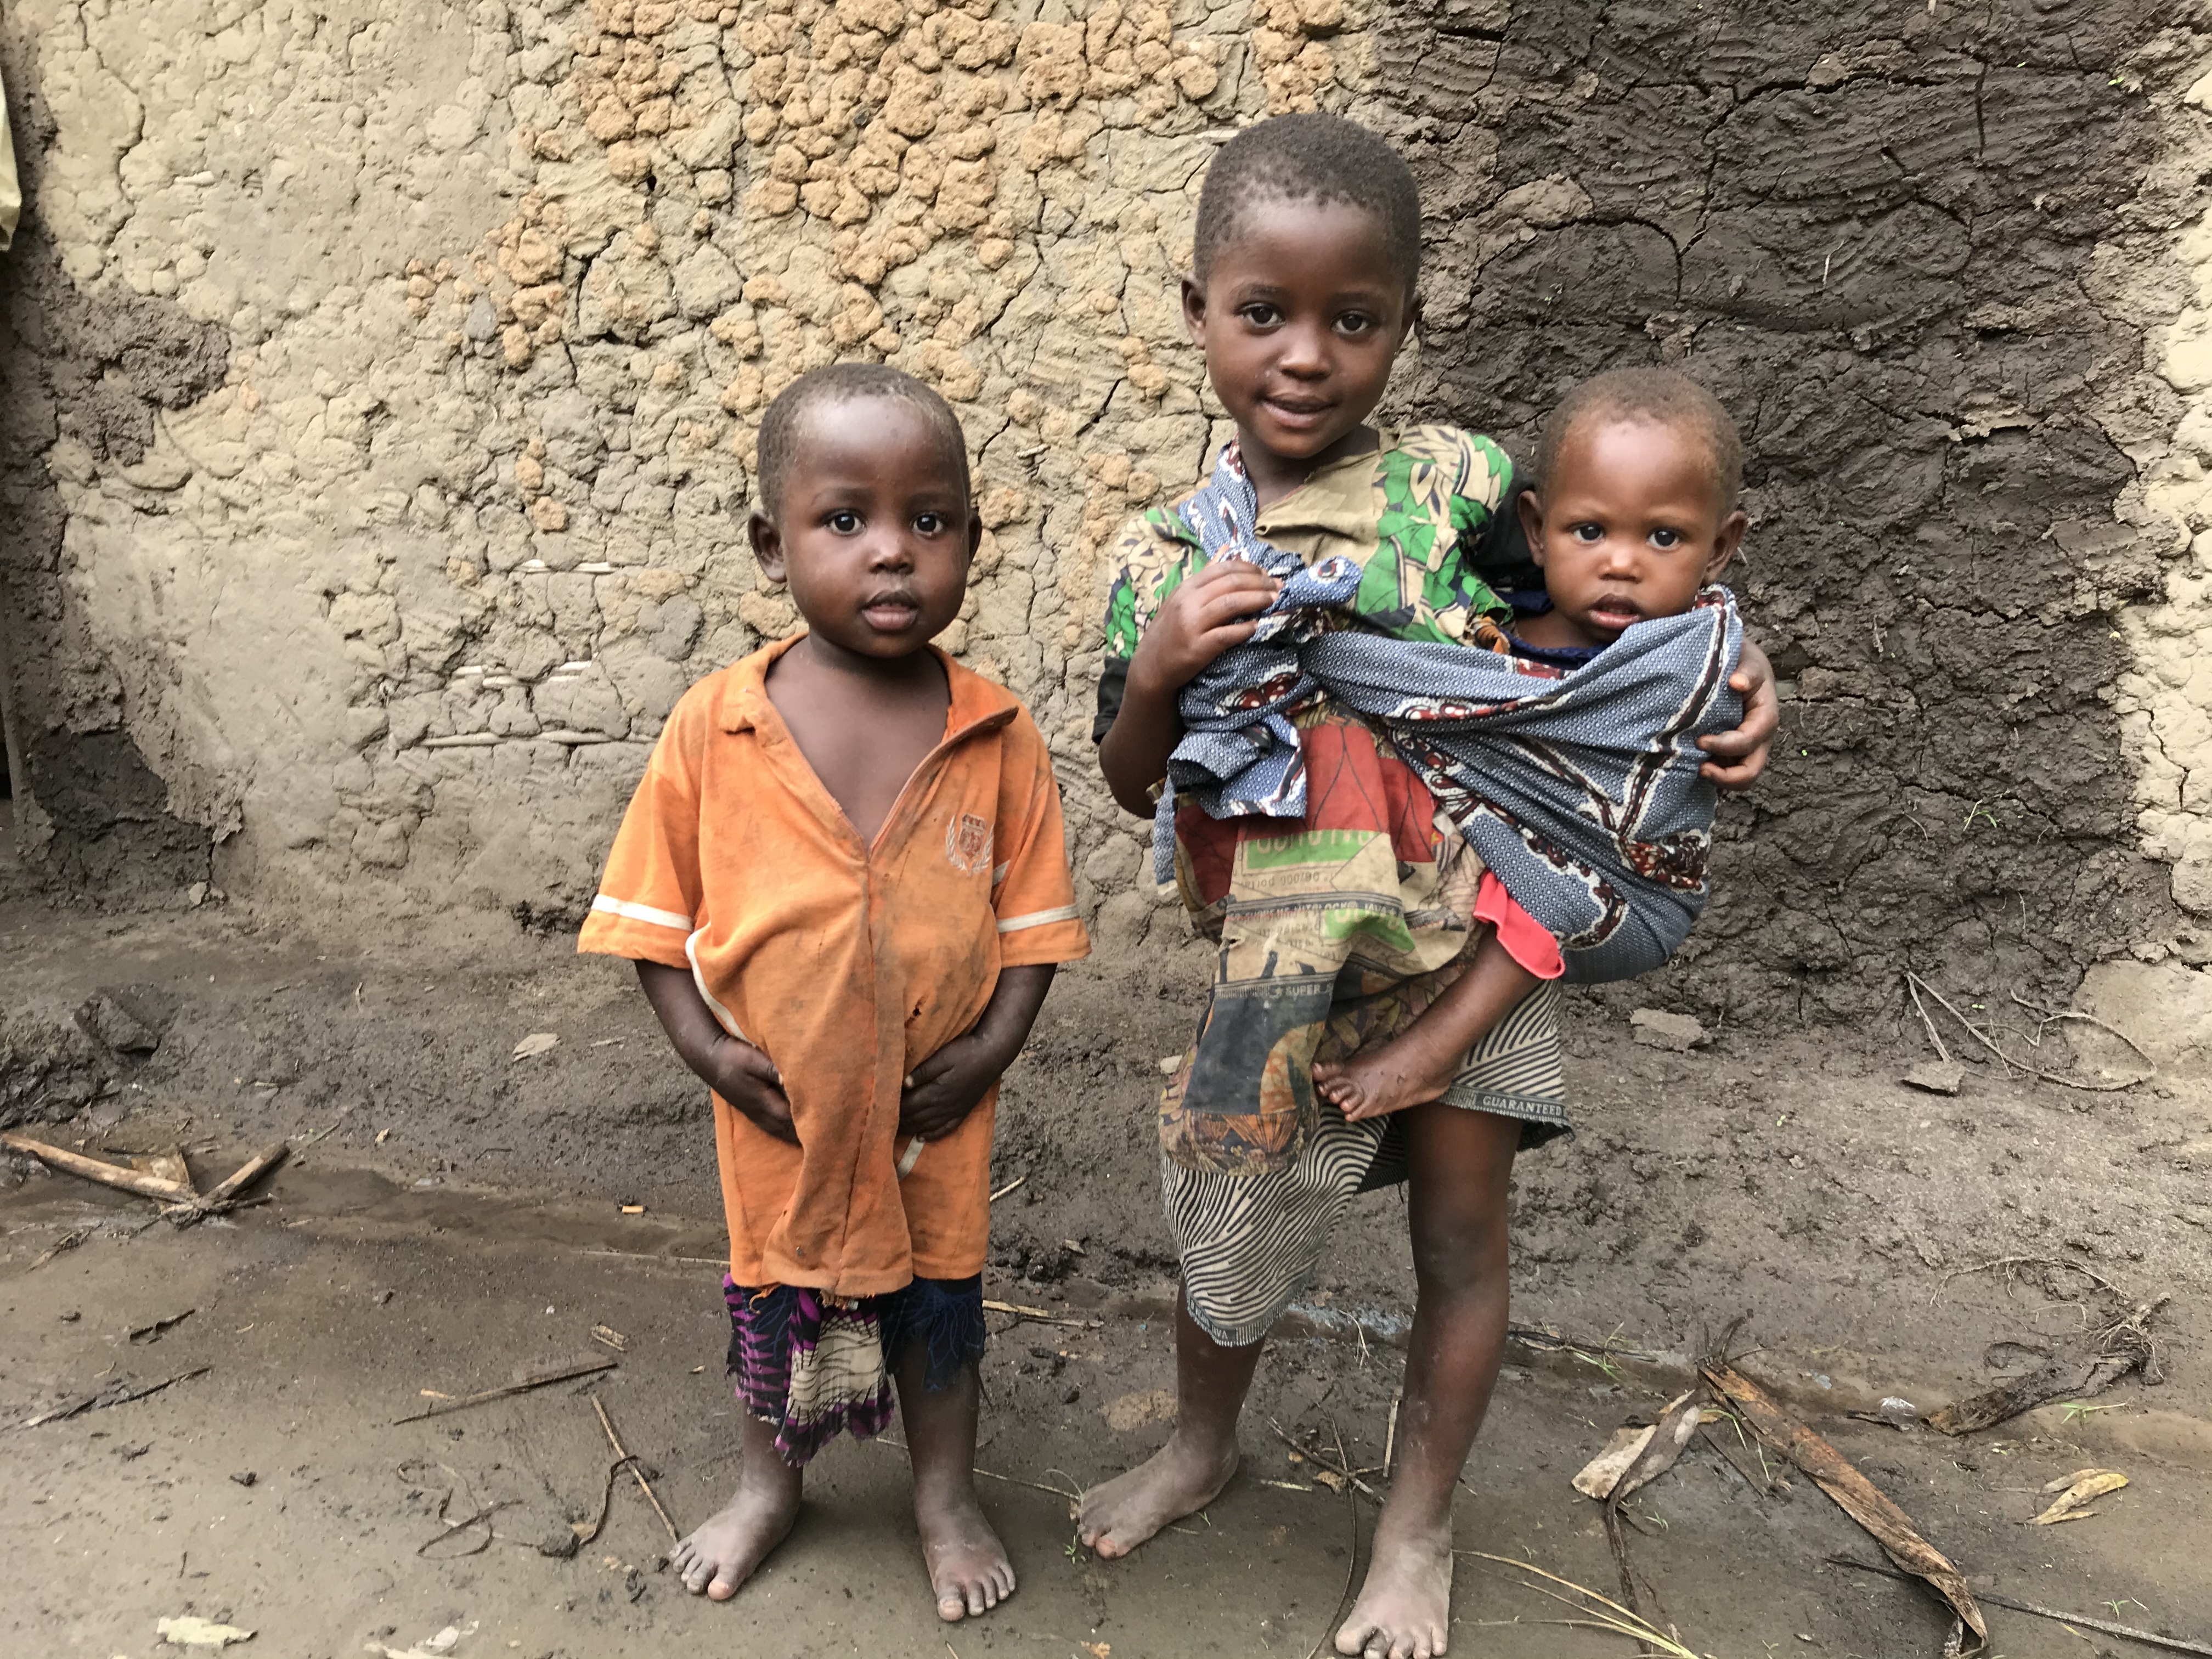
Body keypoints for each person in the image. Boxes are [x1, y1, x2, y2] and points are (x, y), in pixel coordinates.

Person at [1078, 112, 1773, 1659]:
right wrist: (1168, 673)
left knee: (1461, 1245)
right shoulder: (1160, 558)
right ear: (1196, 308)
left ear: (1406, 321)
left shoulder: (1461, 484)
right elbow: (1136, 782)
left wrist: (1735, 668)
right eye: (1264, 313)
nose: (1309, 354)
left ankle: (1416, 1528)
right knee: (1227, 1227)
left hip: (1473, 935)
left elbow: (1624, 587)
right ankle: (1202, 1445)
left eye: (1356, 317)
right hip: (1282, 970)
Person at [577, 363, 1090, 1624]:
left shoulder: (997, 733)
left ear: (972, 538)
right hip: (777, 1112)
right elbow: (651, 916)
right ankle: (771, 1485)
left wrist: (998, 1049)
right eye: (845, 520)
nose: (894, 555)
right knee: (775, 1300)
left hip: (937, 1107)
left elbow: (1032, 929)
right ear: (772, 544)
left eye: (931, 520)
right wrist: (706, 1050)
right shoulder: (717, 729)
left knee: (941, 1311)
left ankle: (943, 1496)